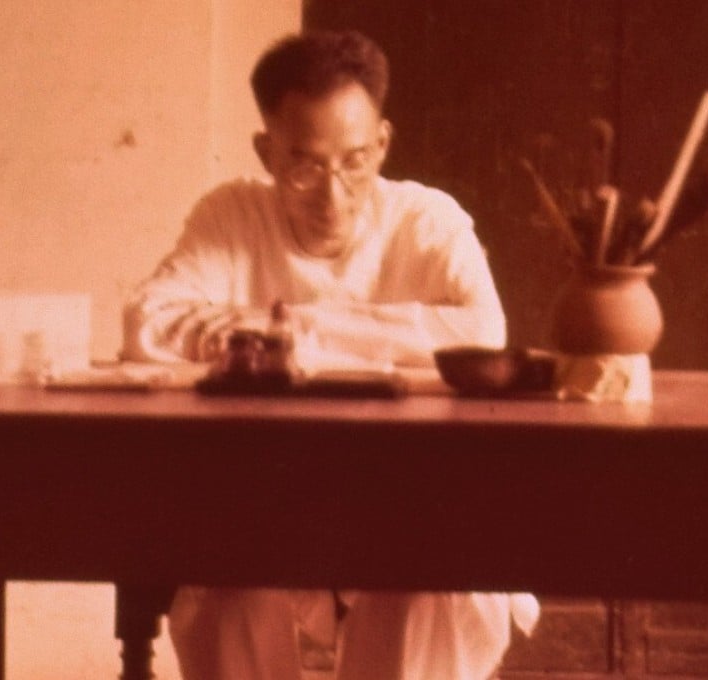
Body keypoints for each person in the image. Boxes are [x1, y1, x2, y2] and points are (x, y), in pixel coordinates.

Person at [122, 29, 539, 680]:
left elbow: (481, 337)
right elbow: (147, 325)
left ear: (382, 145)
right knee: (232, 590)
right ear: (266, 152)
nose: (333, 194)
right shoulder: (232, 215)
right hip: (263, 499)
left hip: (415, 501)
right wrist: (390, 336)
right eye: (305, 165)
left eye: (354, 162)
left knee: (424, 590)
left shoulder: (428, 221)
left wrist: (295, 332)